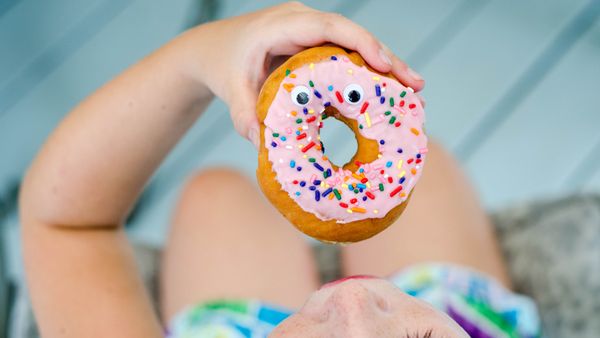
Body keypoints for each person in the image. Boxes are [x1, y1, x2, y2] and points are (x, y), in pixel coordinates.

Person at [19, 3, 541, 337]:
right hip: (462, 315)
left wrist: (199, 57)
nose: (354, 298)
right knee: (431, 178)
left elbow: (67, 224)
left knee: (217, 197)